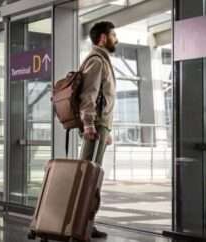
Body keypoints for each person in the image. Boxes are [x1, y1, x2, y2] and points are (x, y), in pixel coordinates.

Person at [79, 21, 118, 238]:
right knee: (89, 177)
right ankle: (82, 223)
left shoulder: (102, 60)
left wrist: (107, 130)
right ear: (103, 38)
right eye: (113, 35)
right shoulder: (96, 61)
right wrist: (89, 124)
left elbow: (103, 98)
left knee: (92, 176)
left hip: (101, 127)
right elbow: (89, 95)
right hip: (95, 127)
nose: (116, 39)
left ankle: (85, 222)